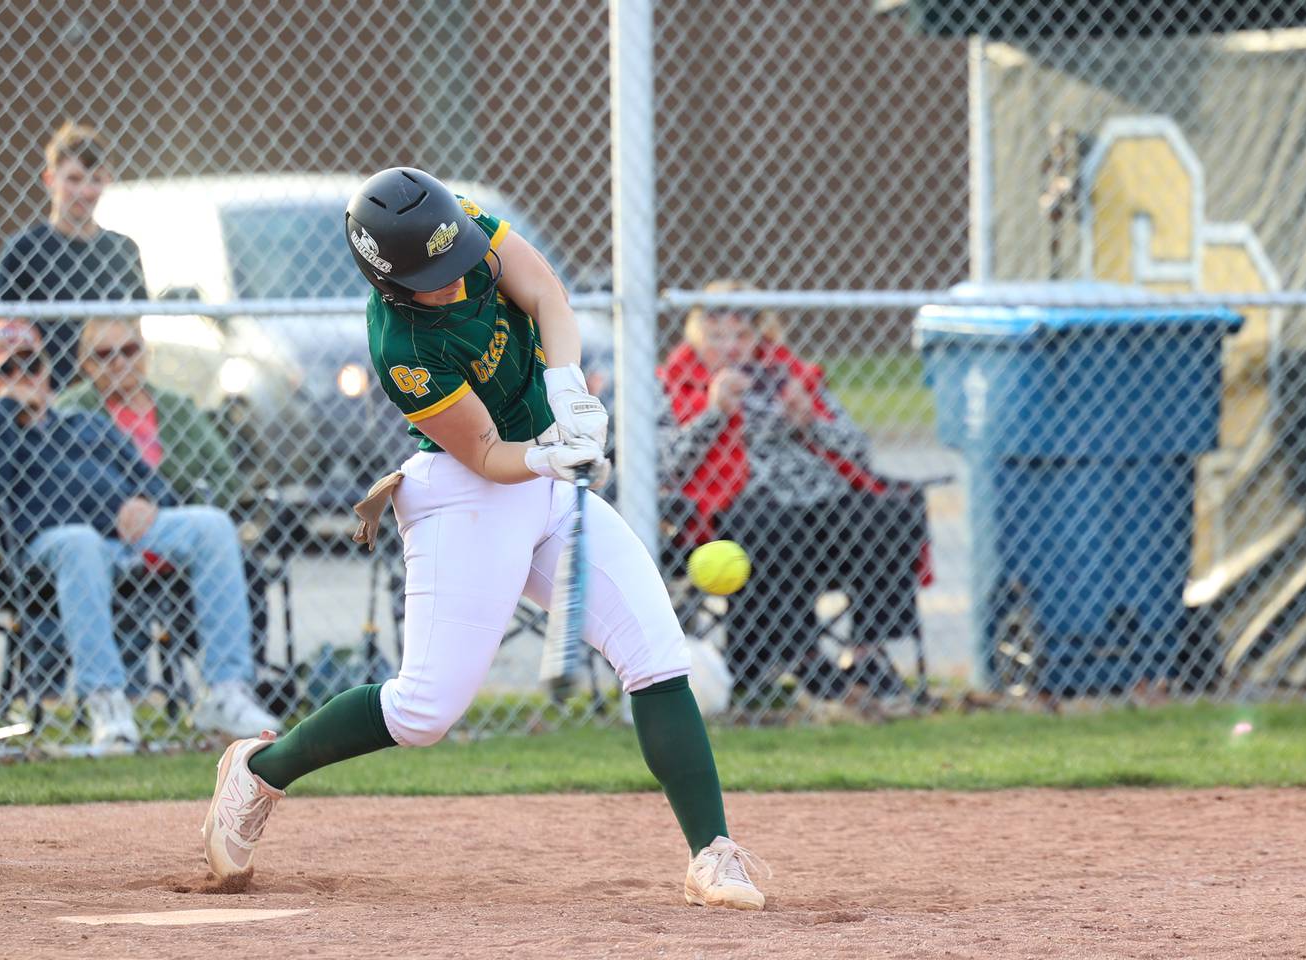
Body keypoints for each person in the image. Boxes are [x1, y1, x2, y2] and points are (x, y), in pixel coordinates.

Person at [200, 168, 768, 909]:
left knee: (657, 654)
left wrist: (567, 388)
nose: (454, 278)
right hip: (465, 490)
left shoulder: (457, 226)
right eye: (431, 277)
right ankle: (260, 770)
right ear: (391, 282)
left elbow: (547, 296)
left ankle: (711, 855)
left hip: (550, 486)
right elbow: (485, 455)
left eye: (455, 258)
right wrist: (540, 456)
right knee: (423, 711)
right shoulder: (401, 341)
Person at [0, 319, 278, 751]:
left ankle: (227, 692)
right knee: (81, 541)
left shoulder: (85, 425)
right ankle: (107, 703)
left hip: (124, 539)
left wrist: (147, 504)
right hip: (41, 550)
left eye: (32, 365)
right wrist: (5, 412)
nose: (22, 378)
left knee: (211, 526)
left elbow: (154, 486)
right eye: (6, 370)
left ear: (48, 372)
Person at [657, 281, 928, 704]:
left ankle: (866, 653)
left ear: (762, 336)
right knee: (771, 525)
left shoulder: (791, 374)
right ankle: (799, 656)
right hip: (729, 508)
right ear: (696, 339)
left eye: (742, 336)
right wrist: (713, 414)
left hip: (817, 495)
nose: (730, 348)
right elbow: (664, 465)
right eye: (716, 337)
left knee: (887, 514)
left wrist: (810, 421)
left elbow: (857, 446)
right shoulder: (672, 382)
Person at [0, 121, 147, 389]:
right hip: (48, 395)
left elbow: (135, 332)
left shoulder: (123, 250)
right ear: (50, 179)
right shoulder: (24, 250)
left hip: (110, 395)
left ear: (107, 180)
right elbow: (2, 332)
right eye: (73, 179)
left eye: (95, 179)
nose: (85, 192)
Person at [56, 318, 242, 510]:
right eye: (105, 355)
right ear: (86, 363)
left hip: (180, 516)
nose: (120, 363)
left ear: (145, 351)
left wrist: (194, 509)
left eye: (129, 350)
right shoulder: (70, 409)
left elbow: (223, 471)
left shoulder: (177, 406)